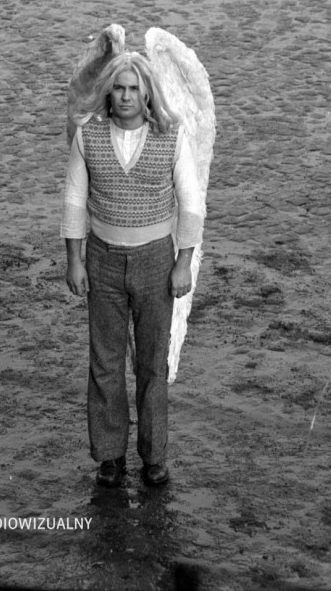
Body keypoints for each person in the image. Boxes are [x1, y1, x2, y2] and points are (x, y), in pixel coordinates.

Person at [62, 50, 204, 488]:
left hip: (156, 261)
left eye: (133, 89)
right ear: (109, 92)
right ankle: (109, 456)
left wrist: (184, 263)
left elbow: (191, 203)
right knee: (104, 361)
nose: (125, 96)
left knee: (151, 365)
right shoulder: (88, 136)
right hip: (102, 260)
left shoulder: (171, 136)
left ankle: (154, 456)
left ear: (147, 94)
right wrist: (74, 260)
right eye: (119, 88)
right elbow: (73, 201)